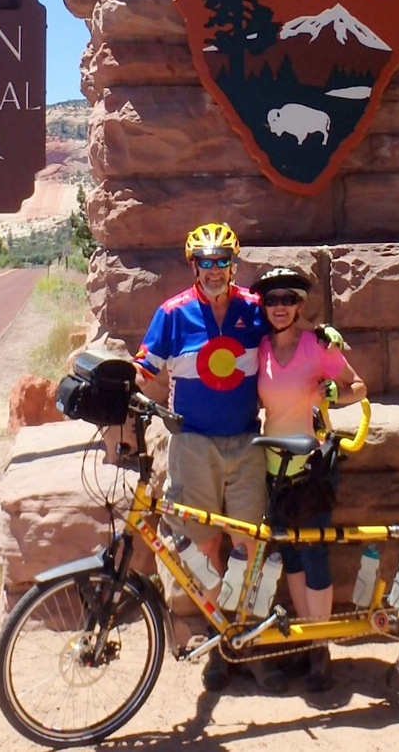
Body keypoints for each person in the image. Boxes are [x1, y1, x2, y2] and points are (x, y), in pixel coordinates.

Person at [133, 222, 281, 693]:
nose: (214, 270)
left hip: (245, 442)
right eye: (205, 262)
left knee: (248, 546)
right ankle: (223, 640)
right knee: (200, 546)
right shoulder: (173, 314)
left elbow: (290, 341)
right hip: (192, 444)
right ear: (193, 264)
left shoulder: (256, 310)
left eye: (222, 262)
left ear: (233, 264)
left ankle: (247, 641)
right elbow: (143, 371)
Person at [251, 266, 368, 692]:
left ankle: (320, 647)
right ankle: (305, 636)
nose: (279, 307)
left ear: (300, 305)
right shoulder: (260, 347)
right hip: (271, 468)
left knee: (315, 554)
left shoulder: (317, 345)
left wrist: (331, 395)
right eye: (272, 300)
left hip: (309, 465)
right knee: (293, 557)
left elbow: (358, 386)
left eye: (287, 299)